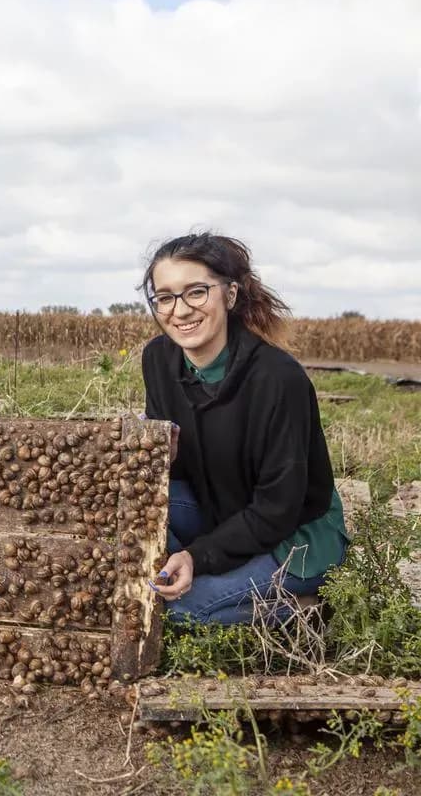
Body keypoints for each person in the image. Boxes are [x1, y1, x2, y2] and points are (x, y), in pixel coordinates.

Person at [140, 232, 349, 625]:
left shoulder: (277, 379)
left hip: (295, 537)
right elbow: (187, 469)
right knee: (133, 521)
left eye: (196, 292)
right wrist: (162, 459)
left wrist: (196, 557)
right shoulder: (158, 360)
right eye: (165, 297)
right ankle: (223, 571)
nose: (180, 310)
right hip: (222, 509)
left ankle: (304, 609)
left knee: (178, 610)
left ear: (230, 295)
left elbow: (277, 510)